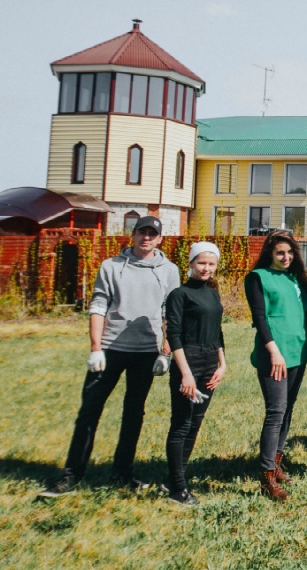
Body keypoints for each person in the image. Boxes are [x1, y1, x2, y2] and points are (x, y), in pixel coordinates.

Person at [41, 216, 181, 498]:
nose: (146, 238)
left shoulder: (169, 271)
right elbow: (99, 305)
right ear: (133, 235)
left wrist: (165, 353)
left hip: (146, 352)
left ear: (160, 239)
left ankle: (122, 472)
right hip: (110, 350)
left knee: (133, 412)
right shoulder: (112, 266)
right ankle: (72, 474)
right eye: (142, 232)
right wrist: (95, 348)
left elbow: (171, 314)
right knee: (89, 412)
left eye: (152, 234)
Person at [247, 230, 307, 501]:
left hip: (299, 350)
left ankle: (276, 462)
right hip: (275, 353)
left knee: (287, 409)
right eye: (279, 253)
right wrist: (273, 350)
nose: (286, 257)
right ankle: (266, 476)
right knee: (275, 411)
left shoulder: (296, 278)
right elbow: (259, 317)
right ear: (270, 255)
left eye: (289, 253)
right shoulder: (258, 278)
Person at [162, 241, 227, 506]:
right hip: (187, 361)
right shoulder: (179, 294)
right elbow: (173, 335)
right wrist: (185, 374)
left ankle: (176, 478)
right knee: (181, 424)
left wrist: (222, 364)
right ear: (190, 263)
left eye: (211, 264)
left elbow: (218, 330)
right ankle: (178, 489)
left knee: (196, 423)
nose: (206, 268)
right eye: (201, 262)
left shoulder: (213, 294)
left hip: (210, 361)